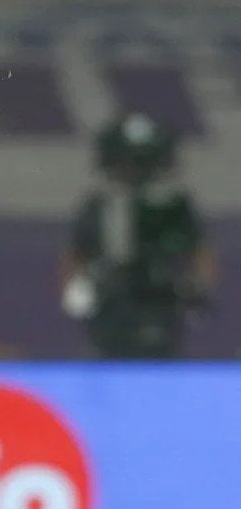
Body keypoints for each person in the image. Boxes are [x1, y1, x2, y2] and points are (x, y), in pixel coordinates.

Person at [59, 112, 215, 358]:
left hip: (161, 301)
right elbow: (76, 253)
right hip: (110, 303)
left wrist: (198, 287)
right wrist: (75, 289)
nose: (136, 169)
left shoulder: (174, 206)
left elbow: (199, 252)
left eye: (144, 161)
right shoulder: (100, 205)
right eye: (127, 161)